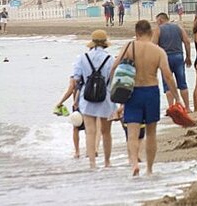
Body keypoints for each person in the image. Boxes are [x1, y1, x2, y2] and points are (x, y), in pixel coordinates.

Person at [110, 20, 183, 177]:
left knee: (132, 133)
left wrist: (111, 88)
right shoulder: (158, 51)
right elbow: (168, 76)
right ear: (150, 33)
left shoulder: (129, 47)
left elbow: (114, 66)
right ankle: (149, 169)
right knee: (151, 133)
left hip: (133, 93)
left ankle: (134, 164)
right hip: (151, 92)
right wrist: (177, 98)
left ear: (137, 33)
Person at [72, 30, 115, 169]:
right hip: (106, 98)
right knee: (106, 132)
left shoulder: (82, 58)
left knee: (90, 131)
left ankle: (92, 163)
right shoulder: (110, 59)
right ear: (105, 43)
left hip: (87, 98)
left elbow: (76, 79)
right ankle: (107, 162)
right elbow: (113, 80)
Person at [152, 13, 192, 109]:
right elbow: (187, 41)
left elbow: (153, 45)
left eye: (157, 21)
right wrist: (188, 56)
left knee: (167, 84)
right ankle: (187, 107)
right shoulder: (178, 27)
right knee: (182, 83)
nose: (157, 23)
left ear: (161, 20)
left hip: (165, 58)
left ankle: (172, 107)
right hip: (178, 56)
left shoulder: (159, 29)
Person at [54, 77, 84, 159]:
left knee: (76, 128)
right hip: (91, 103)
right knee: (90, 128)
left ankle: (77, 151)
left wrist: (60, 102)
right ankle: (92, 150)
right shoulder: (86, 73)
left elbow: (70, 90)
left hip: (77, 105)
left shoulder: (74, 77)